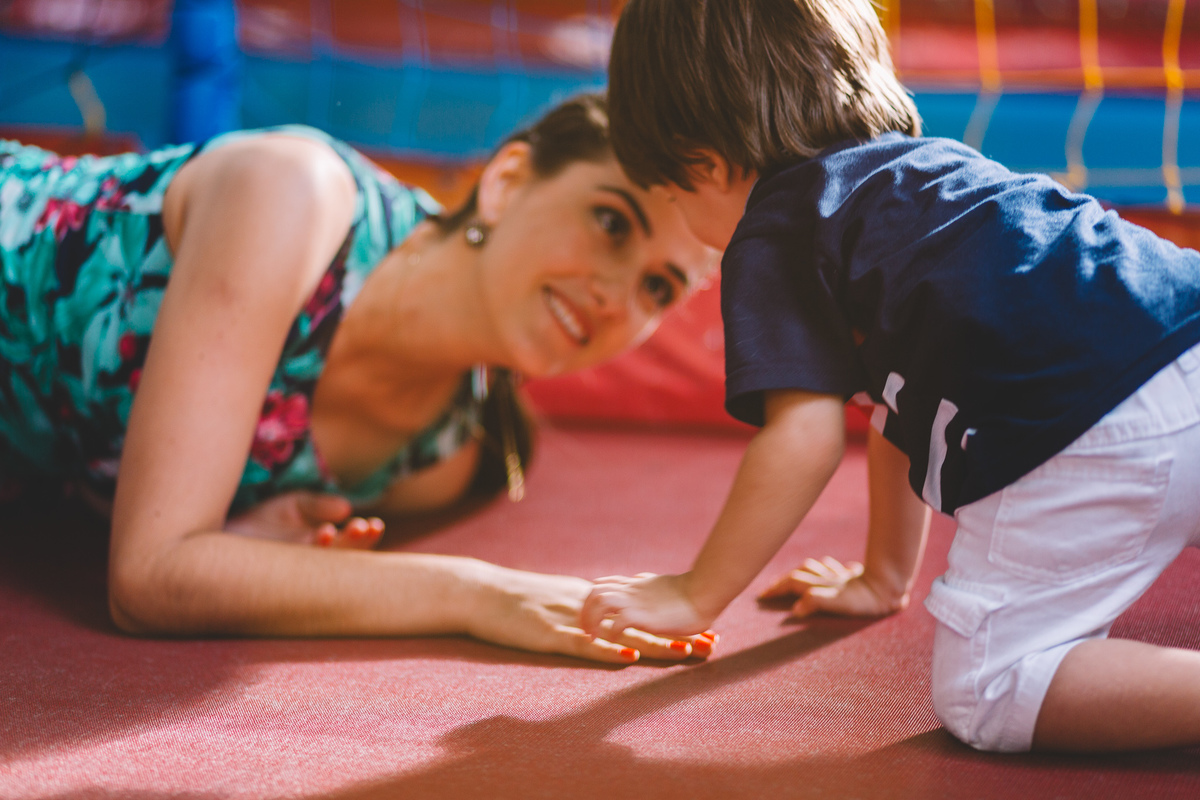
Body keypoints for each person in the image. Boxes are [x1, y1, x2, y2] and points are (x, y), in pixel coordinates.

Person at [581, 0, 1200, 752]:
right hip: (1181, 330)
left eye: (674, 196)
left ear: (704, 165)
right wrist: (883, 578)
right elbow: (897, 412)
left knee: (992, 691)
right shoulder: (923, 173)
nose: (684, 215)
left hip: (1092, 422)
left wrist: (693, 592)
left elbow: (803, 437)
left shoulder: (779, 226)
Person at [0, 93, 720, 664]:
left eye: (658, 288)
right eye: (611, 222)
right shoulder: (294, 196)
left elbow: (140, 503)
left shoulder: (437, 460)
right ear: (506, 183)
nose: (616, 294)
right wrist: (481, 594)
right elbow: (151, 578)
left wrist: (234, 543)